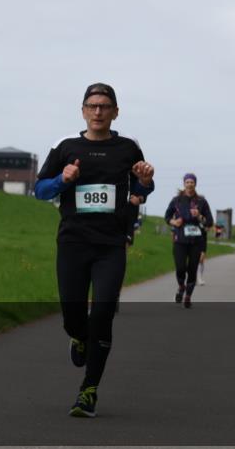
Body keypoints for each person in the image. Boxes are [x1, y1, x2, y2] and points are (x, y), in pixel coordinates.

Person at [35, 83, 155, 418]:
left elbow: (142, 188)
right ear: (83, 110)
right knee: (74, 316)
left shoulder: (129, 147)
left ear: (116, 111)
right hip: (73, 243)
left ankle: (89, 390)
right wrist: (63, 179)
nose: (98, 111)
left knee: (102, 313)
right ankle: (78, 337)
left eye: (105, 106)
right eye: (92, 105)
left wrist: (145, 178)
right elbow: (40, 191)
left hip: (110, 246)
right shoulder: (65, 146)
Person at [164, 174, 214, 308]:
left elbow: (209, 222)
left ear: (195, 184)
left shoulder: (202, 201)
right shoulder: (177, 200)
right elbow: (167, 216)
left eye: (192, 182)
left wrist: (200, 216)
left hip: (196, 241)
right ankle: (181, 286)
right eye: (187, 182)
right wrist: (174, 221)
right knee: (180, 268)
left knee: (192, 270)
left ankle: (188, 296)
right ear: (184, 184)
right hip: (180, 239)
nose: (190, 184)